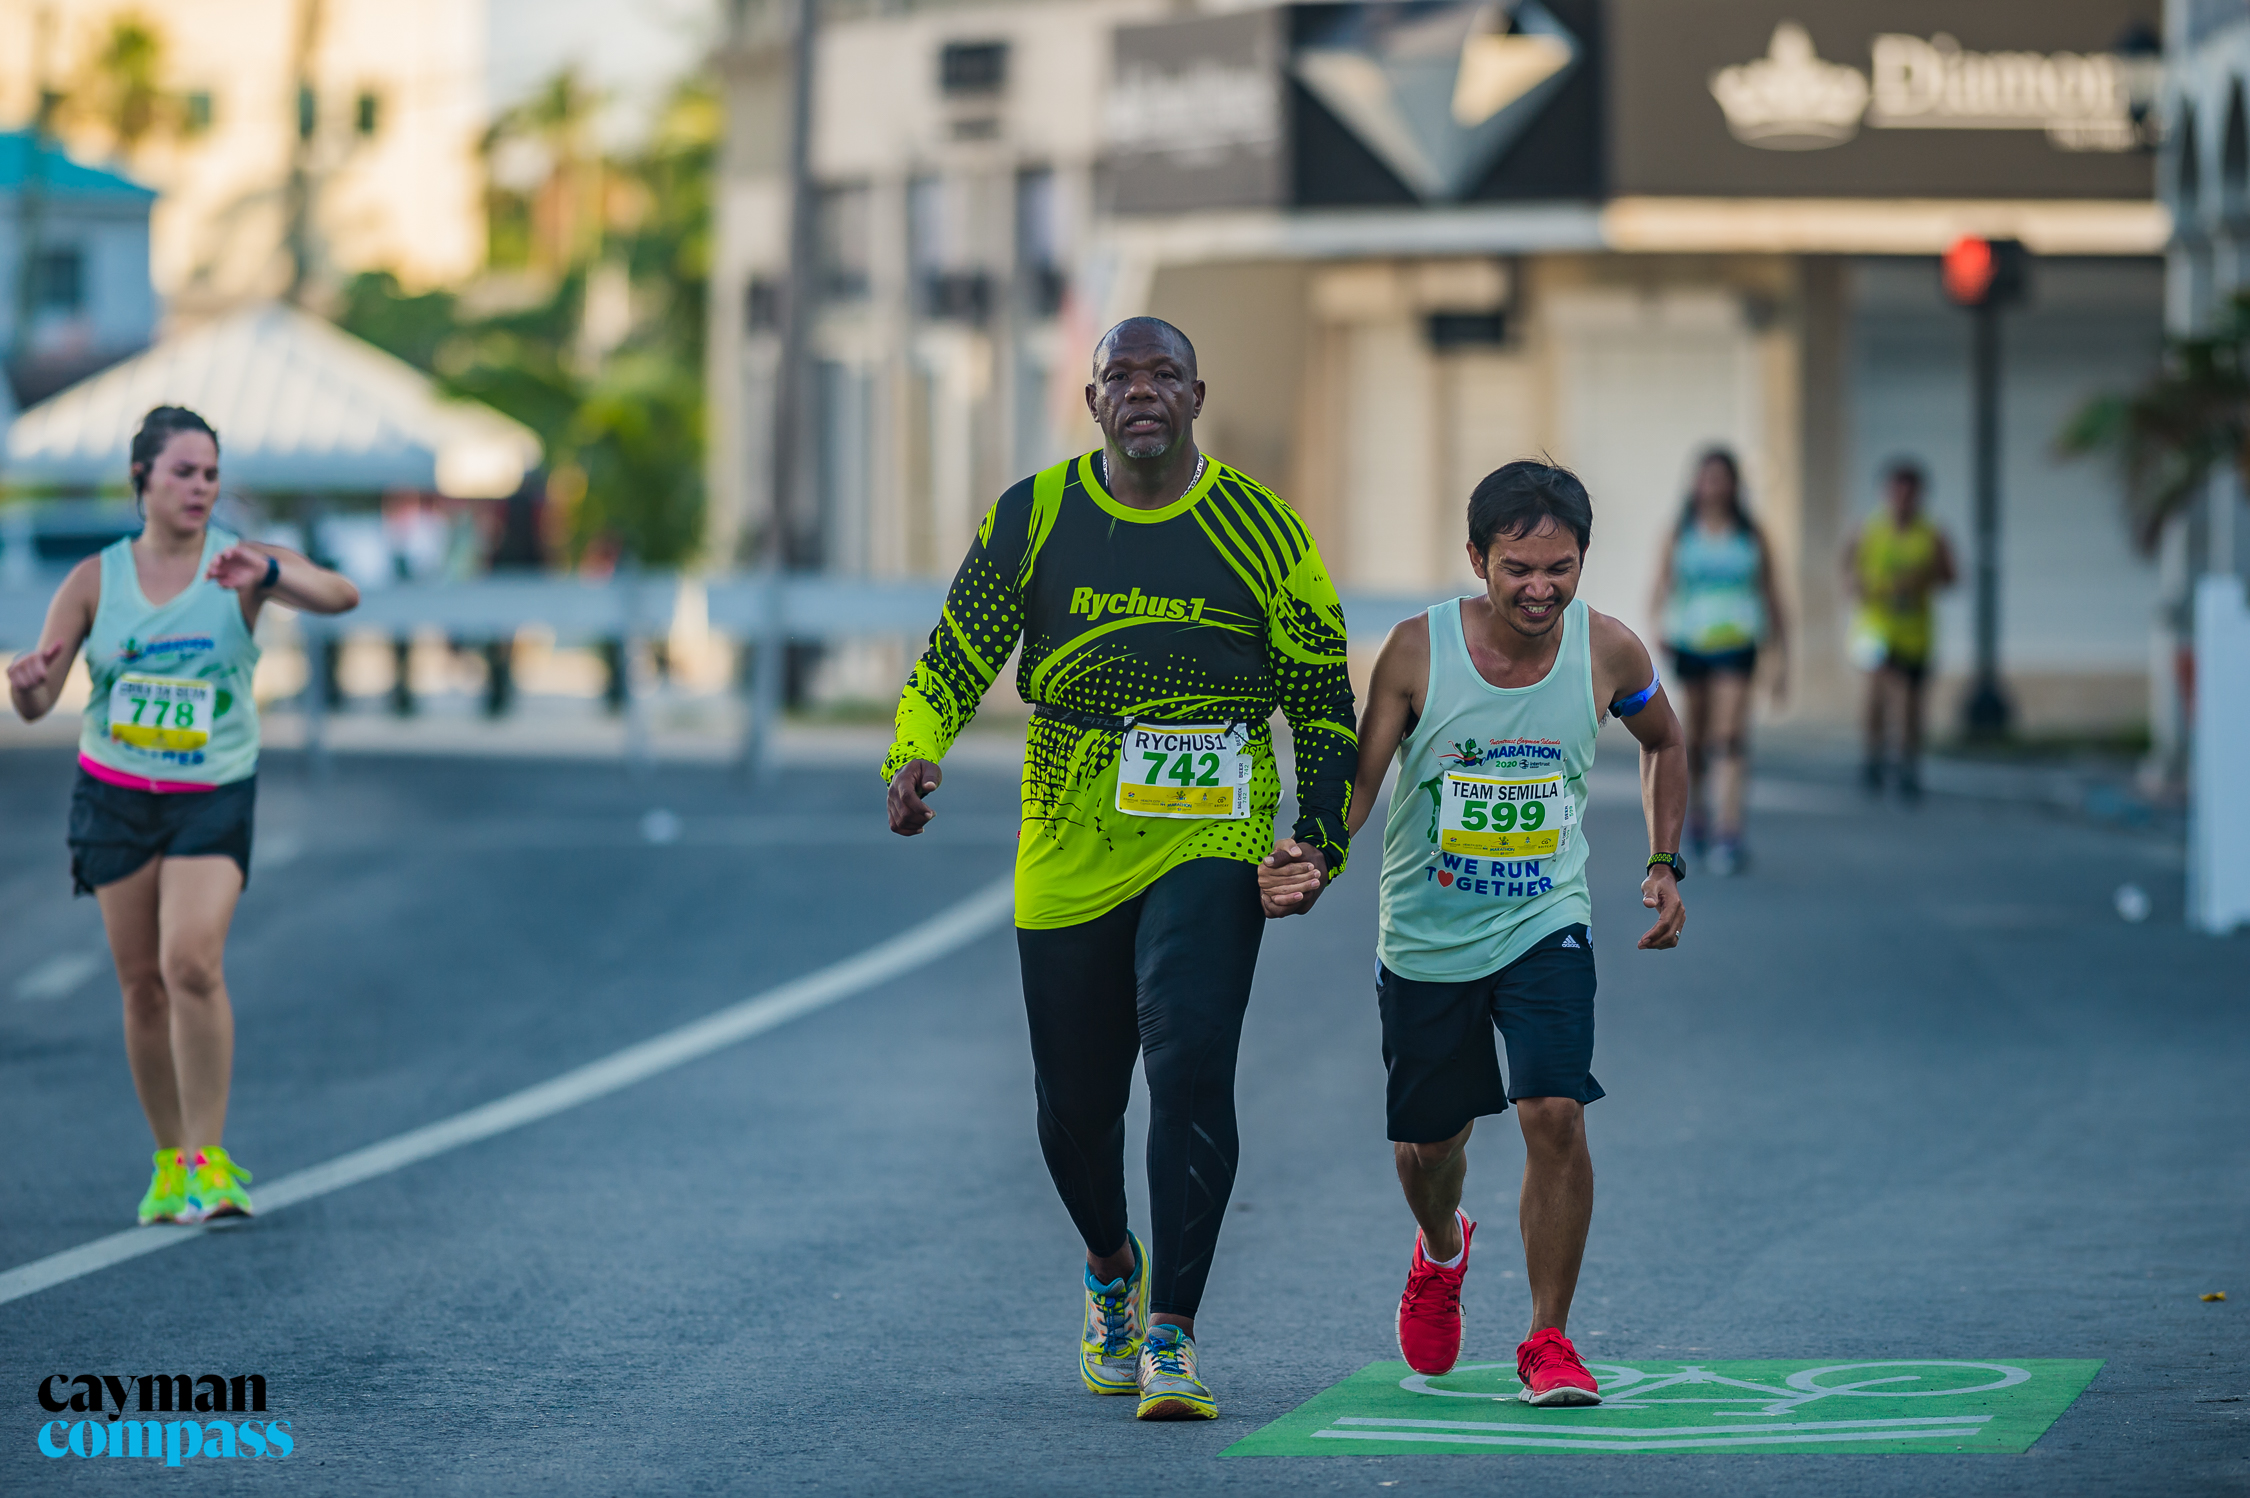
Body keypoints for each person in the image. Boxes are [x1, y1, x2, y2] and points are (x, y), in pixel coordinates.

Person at [883, 318, 1356, 1422]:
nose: (1142, 392)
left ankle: (1175, 1334)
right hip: (1069, 820)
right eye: (1120, 377)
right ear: (1092, 401)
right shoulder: (1035, 516)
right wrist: (915, 748)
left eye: (1163, 375)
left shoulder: (1264, 531)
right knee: (1074, 1107)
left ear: (1198, 392)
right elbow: (957, 655)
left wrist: (1316, 836)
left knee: (1190, 1064)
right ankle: (1110, 1267)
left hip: (1214, 824)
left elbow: (1323, 701)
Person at [1264, 460, 1686, 1406]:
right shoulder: (1419, 653)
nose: (1540, 589)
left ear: (1583, 562)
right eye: (1518, 568)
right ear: (1476, 559)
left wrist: (1665, 862)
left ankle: (1548, 1340)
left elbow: (1665, 740)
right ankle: (1442, 1248)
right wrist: (1316, 859)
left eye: (1561, 568)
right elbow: (1362, 783)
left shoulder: (1608, 651)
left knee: (1555, 1114)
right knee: (1430, 1149)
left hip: (1546, 919)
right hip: (1428, 936)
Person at [6, 406, 359, 1226]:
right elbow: (36, 703)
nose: (202, 487)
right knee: (141, 988)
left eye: (210, 473)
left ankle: (211, 1157)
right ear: (143, 480)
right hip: (116, 797)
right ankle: (169, 1162)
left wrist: (266, 577)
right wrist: (26, 684)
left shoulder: (241, 561)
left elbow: (340, 594)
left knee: (190, 961)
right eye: (184, 473)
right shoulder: (96, 579)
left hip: (212, 795)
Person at [1648, 448, 1787, 875]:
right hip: (1690, 643)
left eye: (1721, 477)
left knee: (1730, 738)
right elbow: (1661, 587)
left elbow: (1772, 595)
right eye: (1706, 476)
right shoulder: (1681, 531)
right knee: (1696, 740)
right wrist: (1655, 637)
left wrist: (1783, 659)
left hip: (1738, 642)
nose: (1713, 485)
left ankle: (1730, 832)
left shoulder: (1751, 533)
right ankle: (1701, 815)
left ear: (1734, 484)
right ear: (1695, 483)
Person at [1845, 459, 1956, 800]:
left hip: (1915, 631)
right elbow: (1849, 572)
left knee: (1911, 702)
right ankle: (1874, 756)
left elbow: (1950, 577)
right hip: (1876, 629)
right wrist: (1866, 588)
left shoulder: (1932, 534)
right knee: (1879, 695)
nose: (1903, 500)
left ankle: (1907, 762)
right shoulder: (1868, 531)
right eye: (1897, 491)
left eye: (1911, 493)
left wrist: (1922, 579)